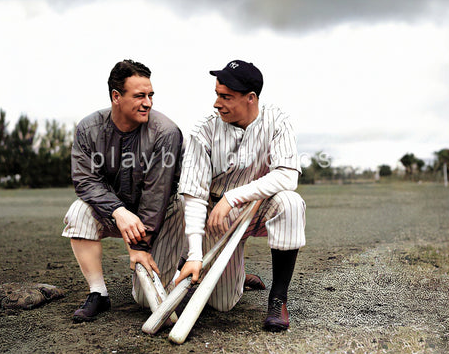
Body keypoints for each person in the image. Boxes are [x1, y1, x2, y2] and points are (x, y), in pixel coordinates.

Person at [175, 60, 306, 331]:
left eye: (226, 97)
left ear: (251, 98)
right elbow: (194, 195)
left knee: (291, 203)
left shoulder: (277, 120)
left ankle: (278, 299)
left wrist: (232, 197)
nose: (216, 103)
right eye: (216, 94)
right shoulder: (204, 130)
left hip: (257, 208)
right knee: (222, 304)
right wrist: (196, 254)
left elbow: (287, 176)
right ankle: (236, 275)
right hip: (217, 214)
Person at [62, 59, 184, 322]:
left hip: (159, 216)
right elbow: (85, 180)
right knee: (78, 212)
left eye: (150, 95)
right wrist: (118, 210)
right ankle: (98, 293)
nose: (148, 103)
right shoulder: (88, 128)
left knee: (143, 299)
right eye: (139, 96)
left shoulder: (166, 132)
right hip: (116, 212)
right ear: (116, 96)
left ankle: (180, 267)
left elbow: (157, 195)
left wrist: (139, 246)